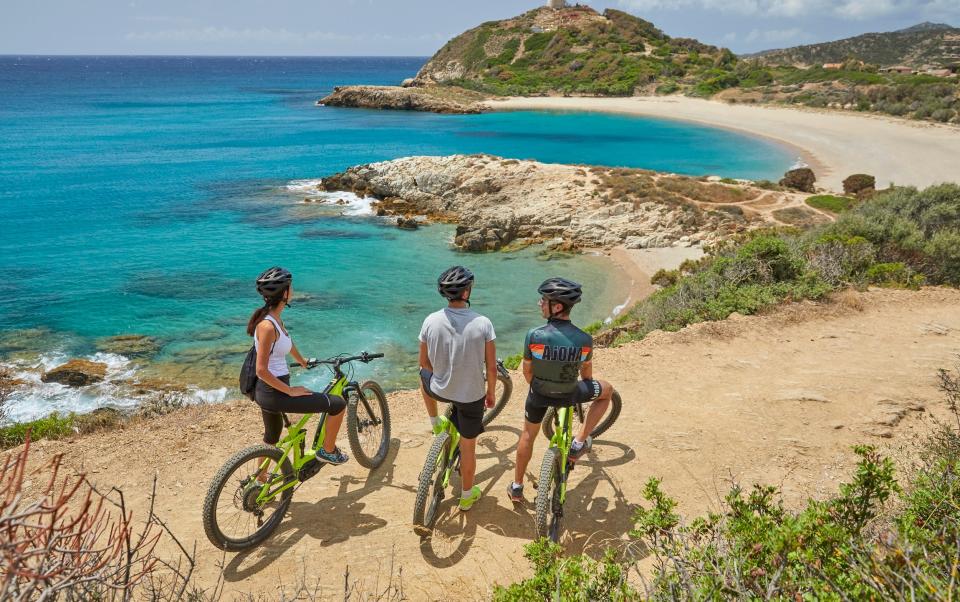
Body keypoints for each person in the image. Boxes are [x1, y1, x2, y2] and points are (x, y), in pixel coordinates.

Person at [507, 277, 616, 503]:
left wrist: (541, 387)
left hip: (538, 394)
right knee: (607, 391)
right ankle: (579, 442)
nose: (540, 304)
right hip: (571, 393)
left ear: (556, 307)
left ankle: (517, 487)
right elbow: (587, 376)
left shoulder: (534, 335)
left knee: (528, 435)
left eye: (543, 300)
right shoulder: (585, 340)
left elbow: (527, 373)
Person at [248, 267, 349, 465]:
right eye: (290, 287)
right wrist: (290, 391)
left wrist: (302, 361)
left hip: (267, 393)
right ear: (284, 293)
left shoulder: (273, 319)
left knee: (271, 438)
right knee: (338, 404)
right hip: (275, 394)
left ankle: (259, 484)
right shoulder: (267, 326)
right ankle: (328, 451)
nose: (293, 290)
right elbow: (261, 370)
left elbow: (287, 341)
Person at [419, 266, 497, 512]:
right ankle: (465, 496)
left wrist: (441, 373)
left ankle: (435, 421)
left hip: (438, 389)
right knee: (468, 447)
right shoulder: (483, 323)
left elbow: (424, 363)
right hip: (471, 396)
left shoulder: (430, 320)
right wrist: (491, 393)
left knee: (422, 376)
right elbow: (491, 368)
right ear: (467, 291)